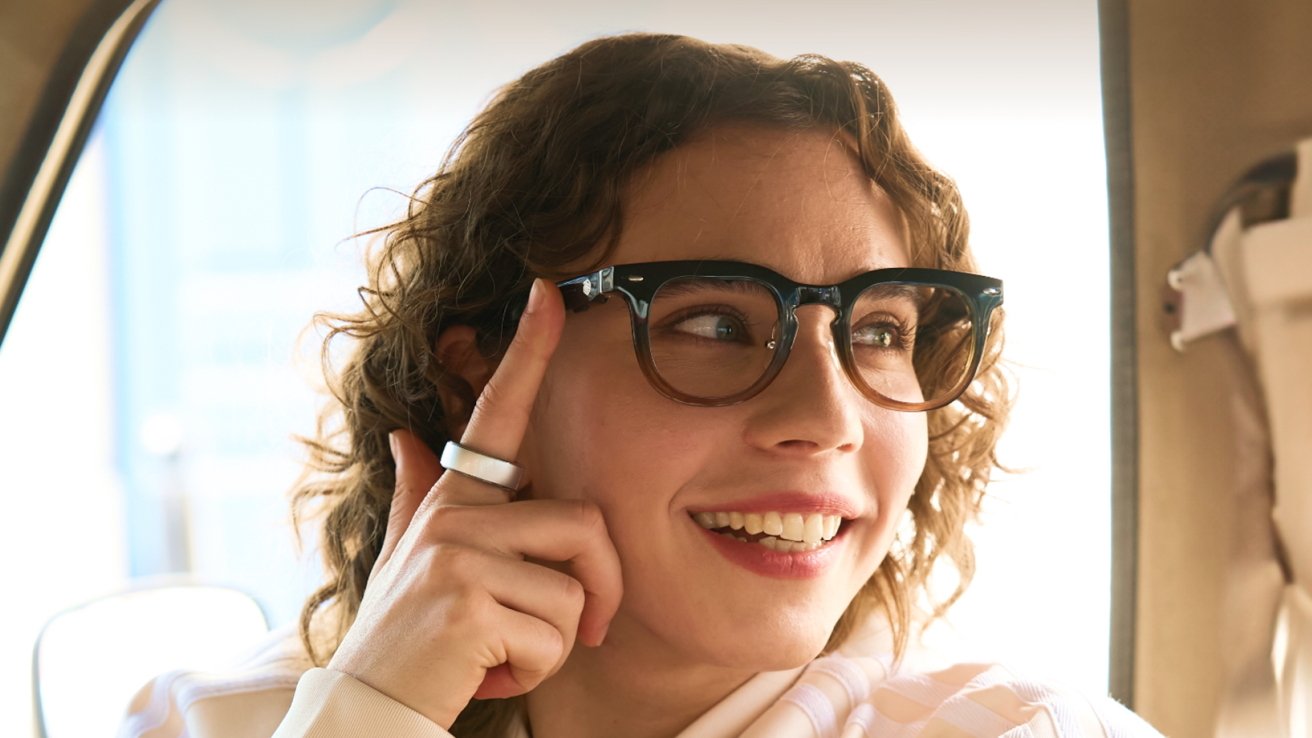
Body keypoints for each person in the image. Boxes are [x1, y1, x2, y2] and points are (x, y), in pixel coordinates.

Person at [119, 32, 1163, 738]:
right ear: (474, 373)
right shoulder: (213, 722)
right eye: (712, 323)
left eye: (879, 329)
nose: (826, 418)